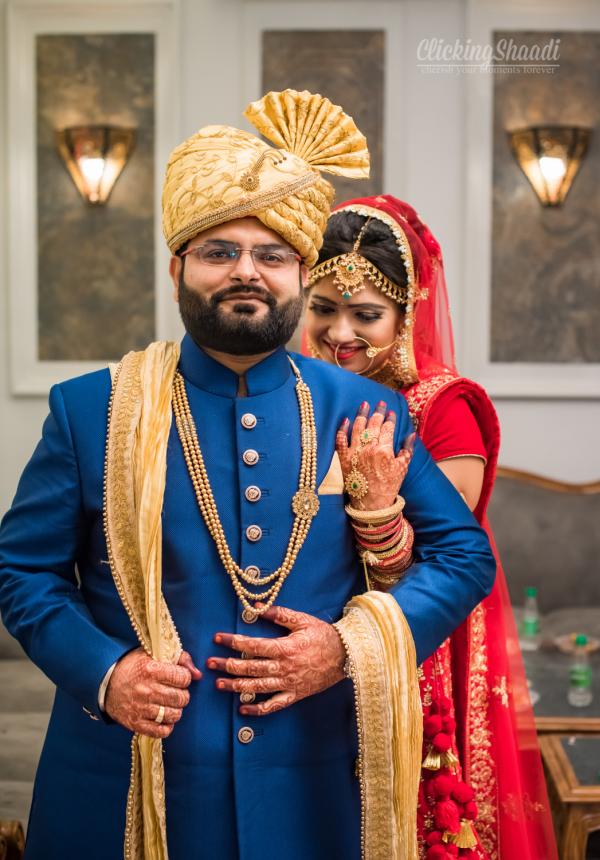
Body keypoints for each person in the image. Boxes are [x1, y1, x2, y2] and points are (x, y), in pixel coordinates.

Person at [0, 93, 495, 860]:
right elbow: (22, 571)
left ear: (299, 273)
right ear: (177, 269)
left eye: (272, 255)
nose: (246, 272)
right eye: (219, 251)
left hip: (312, 788)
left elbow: (464, 557)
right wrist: (106, 671)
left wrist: (347, 647)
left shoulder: (361, 409)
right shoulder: (92, 410)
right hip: (123, 777)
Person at [304, 194, 558, 860]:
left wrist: (377, 505)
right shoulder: (301, 394)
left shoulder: (440, 407)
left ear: (406, 313)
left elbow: (445, 556)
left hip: (414, 637)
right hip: (320, 631)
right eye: (323, 308)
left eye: (366, 315)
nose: (339, 333)